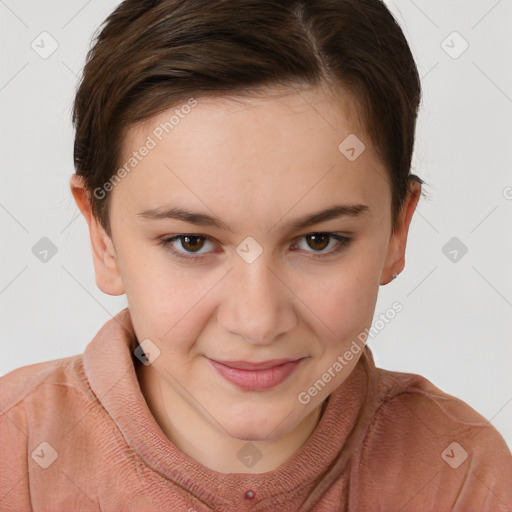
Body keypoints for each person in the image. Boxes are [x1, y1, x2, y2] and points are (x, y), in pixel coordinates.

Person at [1, 0, 511, 510]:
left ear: (397, 230)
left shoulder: (461, 474)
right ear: (102, 237)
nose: (258, 322)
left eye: (319, 240)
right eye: (192, 243)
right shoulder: (14, 453)